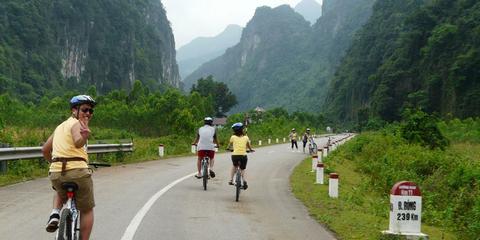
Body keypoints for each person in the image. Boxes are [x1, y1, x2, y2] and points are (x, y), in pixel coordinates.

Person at [42, 95, 96, 240]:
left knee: (59, 190)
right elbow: (78, 142)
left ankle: (55, 213)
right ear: (74, 110)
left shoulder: (59, 127)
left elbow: (45, 150)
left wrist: (54, 164)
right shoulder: (76, 124)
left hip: (56, 173)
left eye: (91, 111)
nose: (88, 114)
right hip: (77, 172)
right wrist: (84, 137)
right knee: (87, 209)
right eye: (85, 109)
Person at [227, 122, 254, 190]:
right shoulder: (246, 137)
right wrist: (250, 150)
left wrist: (228, 148)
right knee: (242, 169)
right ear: (242, 130)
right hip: (243, 156)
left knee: (234, 166)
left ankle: (231, 180)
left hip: (235, 156)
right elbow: (248, 146)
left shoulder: (233, 137)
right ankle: (244, 180)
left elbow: (229, 146)